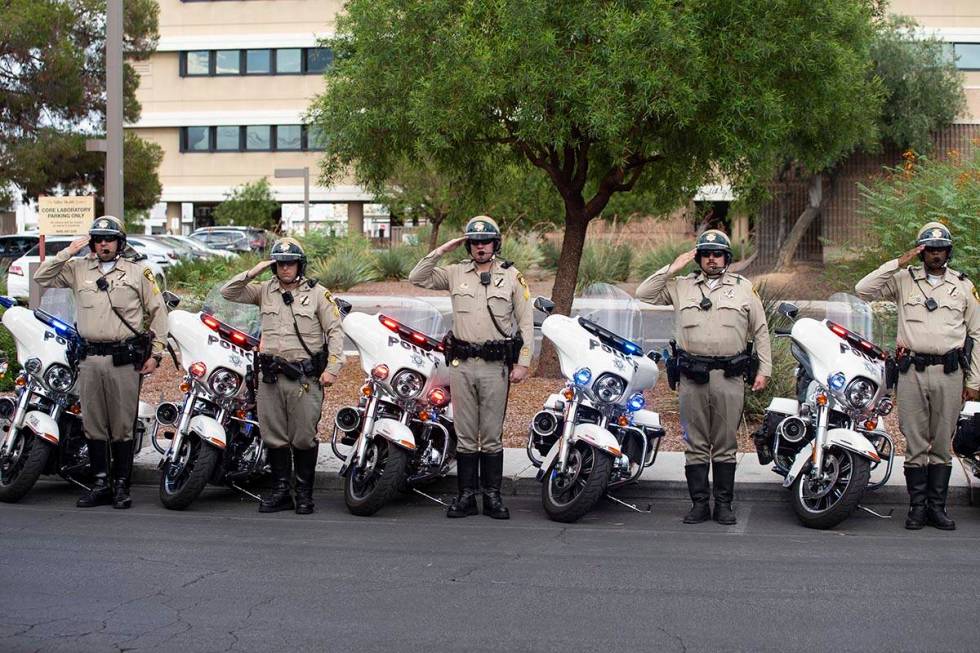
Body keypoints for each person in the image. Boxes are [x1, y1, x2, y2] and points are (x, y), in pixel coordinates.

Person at [635, 229, 771, 525]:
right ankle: (699, 504)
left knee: (725, 441)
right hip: (691, 376)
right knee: (694, 441)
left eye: (717, 253)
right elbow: (643, 293)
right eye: (706, 253)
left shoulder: (744, 288)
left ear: (727, 258)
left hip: (729, 376)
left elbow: (760, 330)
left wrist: (765, 370)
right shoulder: (680, 285)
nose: (712, 259)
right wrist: (674, 266)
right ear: (698, 258)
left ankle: (723, 505)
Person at [34, 216, 167, 509]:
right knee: (93, 424)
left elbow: (158, 312)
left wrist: (156, 353)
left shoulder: (138, 271)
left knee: (122, 425)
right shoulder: (77, 269)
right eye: (98, 239)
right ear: (93, 243)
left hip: (123, 360)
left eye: (108, 239)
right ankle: (99, 483)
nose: (103, 244)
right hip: (90, 359)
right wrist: (68, 251)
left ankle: (121, 486)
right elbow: (41, 278)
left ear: (120, 242)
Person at [855, 222, 980, 530]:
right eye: (929, 249)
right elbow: (863, 289)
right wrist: (900, 261)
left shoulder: (963, 286)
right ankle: (916, 508)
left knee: (940, 442)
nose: (934, 254)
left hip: (949, 373)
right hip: (911, 372)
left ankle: (937, 509)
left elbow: (977, 333)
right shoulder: (903, 280)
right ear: (921, 251)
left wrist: (974, 381)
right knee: (914, 441)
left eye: (939, 249)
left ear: (948, 252)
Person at [409, 216, 533, 519]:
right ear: (468, 246)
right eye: (475, 242)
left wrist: (524, 362)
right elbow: (417, 277)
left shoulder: (512, 276)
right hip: (462, 364)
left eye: (486, 241)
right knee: (464, 434)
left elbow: (526, 322)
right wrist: (442, 250)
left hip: (495, 367)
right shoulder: (455, 273)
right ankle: (465, 496)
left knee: (490, 434)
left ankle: (491, 497)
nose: (480, 247)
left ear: (495, 244)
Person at [220, 237, 345, 515]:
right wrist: (256, 269)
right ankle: (280, 492)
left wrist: (332, 369)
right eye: (280, 263)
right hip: (271, 378)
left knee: (303, 437)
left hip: (303, 378)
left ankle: (303, 495)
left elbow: (336, 332)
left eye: (290, 263)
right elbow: (228, 292)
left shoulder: (318, 294)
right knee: (274, 436)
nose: (285, 268)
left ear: (300, 265)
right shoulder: (264, 290)